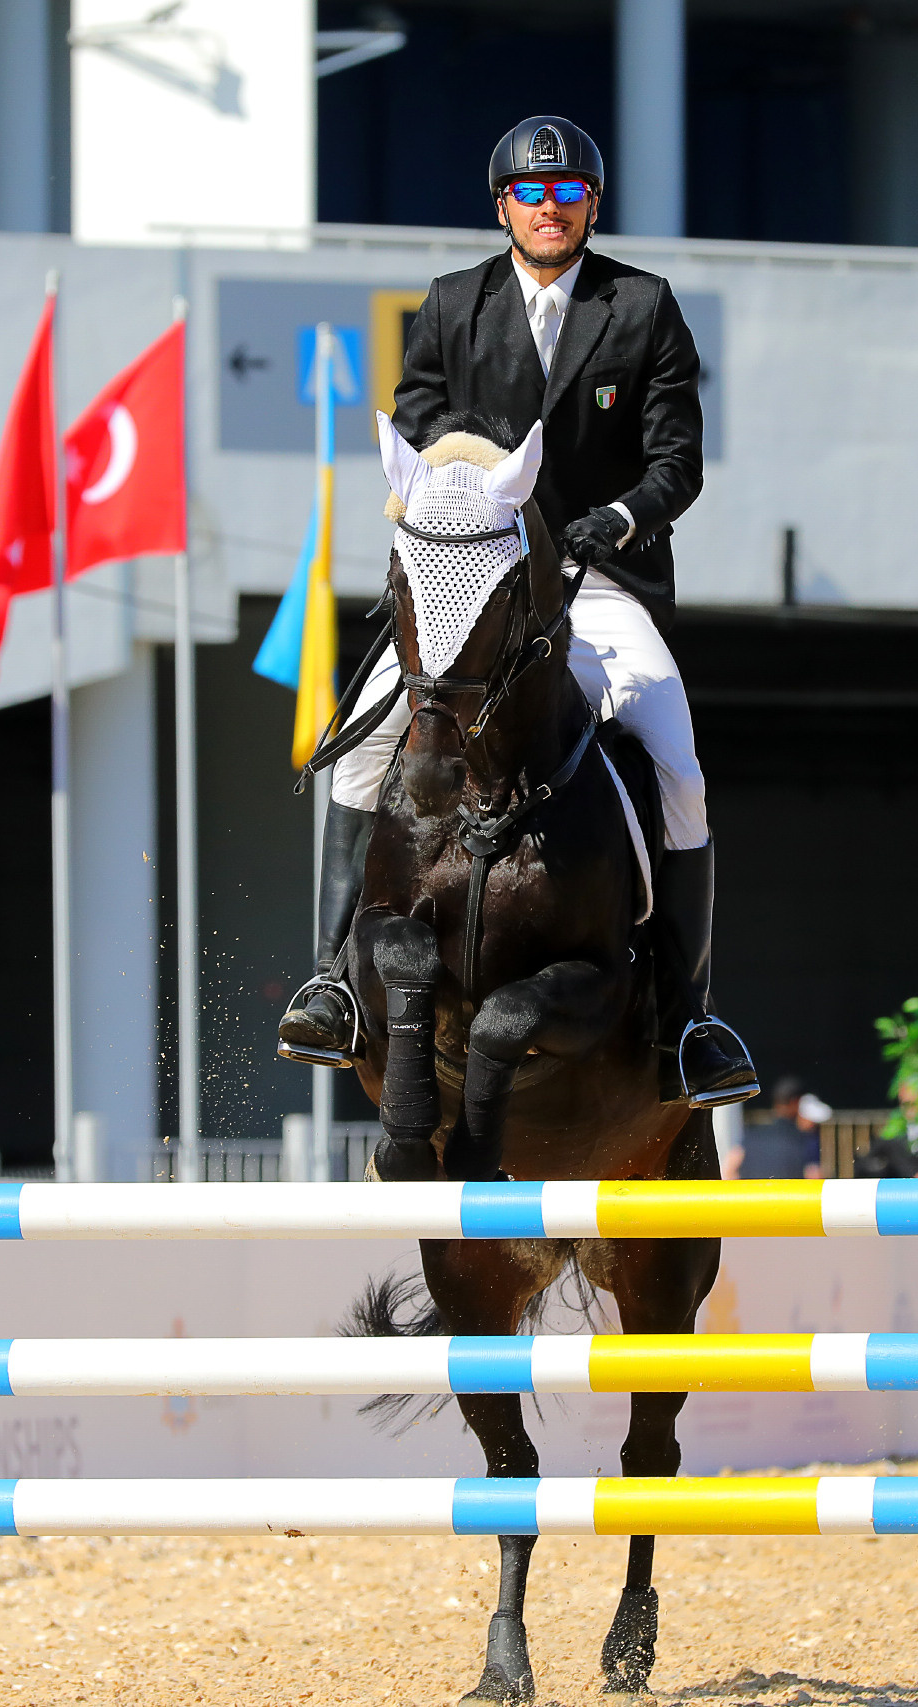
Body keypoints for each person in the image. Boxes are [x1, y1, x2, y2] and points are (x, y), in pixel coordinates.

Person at [276, 113, 758, 1109]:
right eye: (531, 193)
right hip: (472, 577)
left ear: (593, 205)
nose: (550, 207)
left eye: (568, 191)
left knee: (678, 765)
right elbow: (416, 435)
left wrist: (616, 518)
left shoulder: (642, 307)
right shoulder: (452, 305)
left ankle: (687, 1018)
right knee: (359, 749)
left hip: (600, 577)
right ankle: (332, 985)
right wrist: (467, 504)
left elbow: (677, 461)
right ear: (503, 206)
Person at [725, 1077, 823, 1180]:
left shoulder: (752, 1135)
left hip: (753, 1190)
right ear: (796, 1102)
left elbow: (728, 1171)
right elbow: (814, 1176)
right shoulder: (804, 1140)